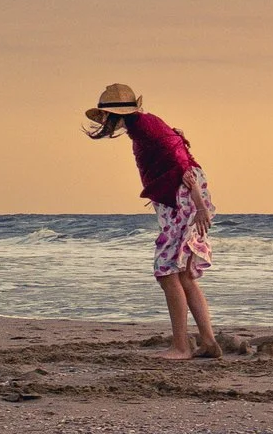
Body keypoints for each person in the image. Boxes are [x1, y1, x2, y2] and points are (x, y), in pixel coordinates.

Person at [83, 83, 223, 359]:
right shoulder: (142, 128)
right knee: (181, 275)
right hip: (177, 201)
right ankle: (208, 343)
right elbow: (178, 147)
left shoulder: (146, 126)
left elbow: (182, 161)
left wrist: (198, 205)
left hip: (182, 201)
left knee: (166, 272)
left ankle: (181, 347)